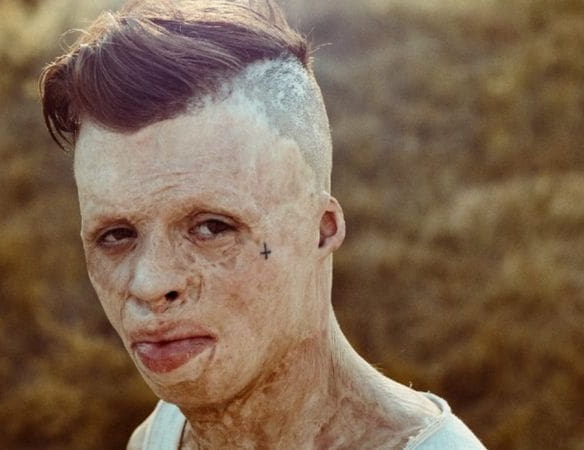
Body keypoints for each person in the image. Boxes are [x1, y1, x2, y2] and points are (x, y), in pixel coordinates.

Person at [39, 0, 486, 448]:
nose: (150, 284)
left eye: (212, 228)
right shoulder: (159, 436)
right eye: (116, 235)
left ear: (320, 229)